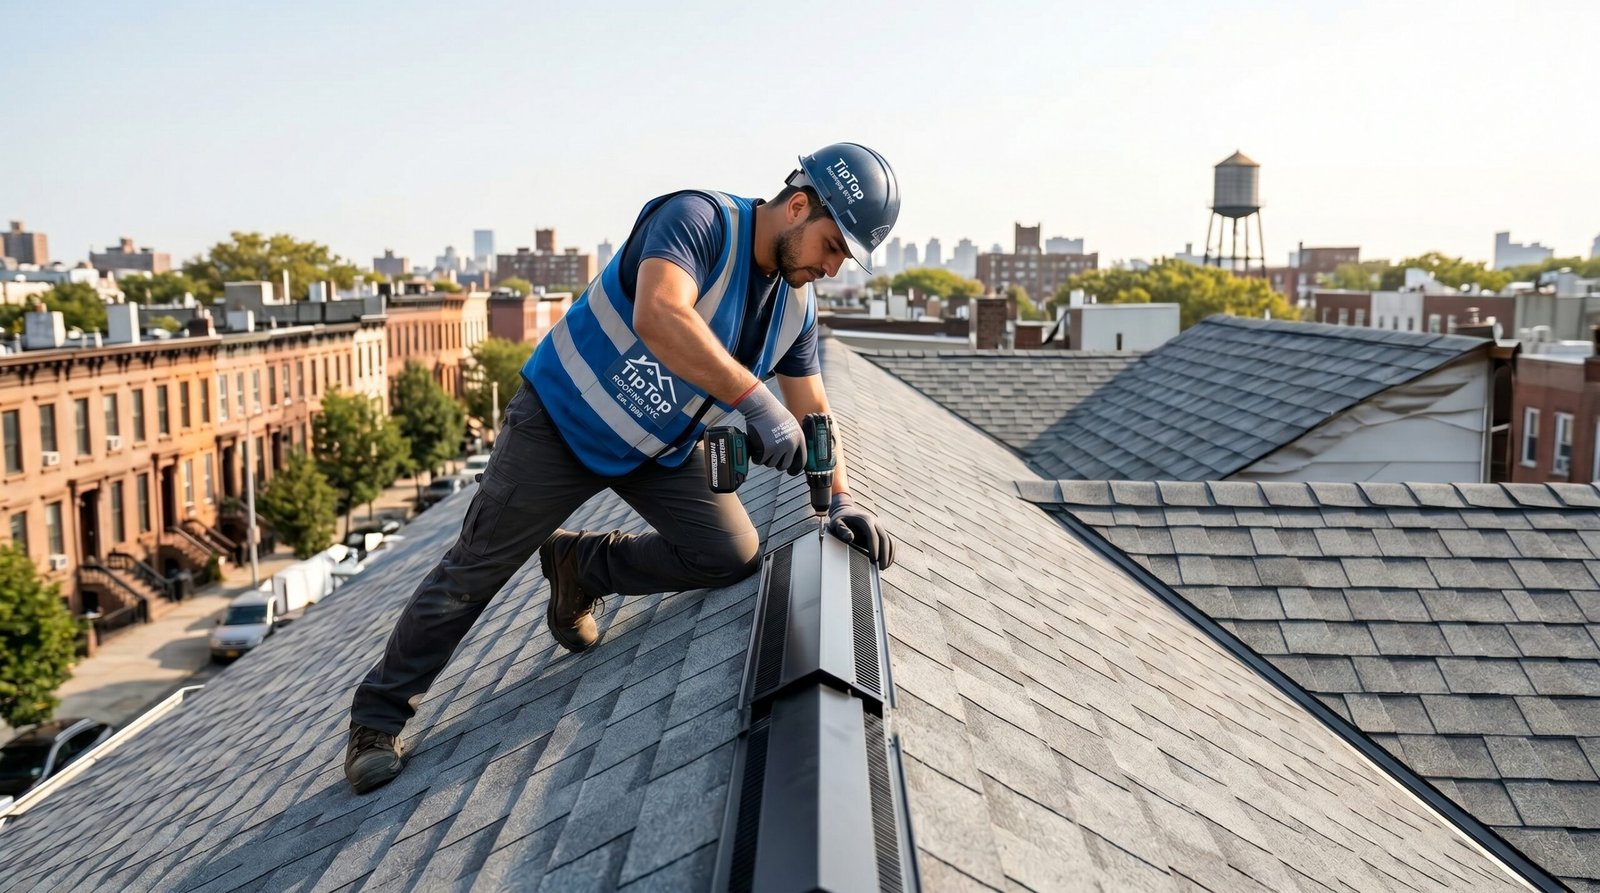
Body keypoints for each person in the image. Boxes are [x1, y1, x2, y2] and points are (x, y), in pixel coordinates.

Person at [344, 142, 901, 794]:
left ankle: (582, 567)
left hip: (654, 450)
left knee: (731, 551)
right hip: (559, 423)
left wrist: (839, 498)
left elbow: (812, 406)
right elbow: (659, 313)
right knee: (473, 571)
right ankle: (375, 719)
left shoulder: (795, 307)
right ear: (798, 205)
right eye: (832, 246)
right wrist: (753, 399)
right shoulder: (697, 221)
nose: (833, 267)